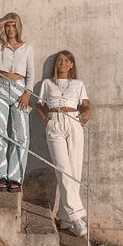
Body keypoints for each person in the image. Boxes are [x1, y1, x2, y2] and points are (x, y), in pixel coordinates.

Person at [37, 50, 90, 236]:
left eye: (66, 61)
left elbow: (84, 104)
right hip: (55, 123)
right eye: (59, 60)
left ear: (71, 65)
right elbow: (39, 105)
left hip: (74, 122)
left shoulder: (78, 84)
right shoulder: (47, 83)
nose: (62, 63)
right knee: (63, 169)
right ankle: (77, 218)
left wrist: (87, 112)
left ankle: (65, 219)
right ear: (55, 64)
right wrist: (47, 121)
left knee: (74, 172)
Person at [0, 13, 34, 192]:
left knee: (21, 135)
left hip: (20, 89)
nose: (10, 29)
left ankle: (16, 177)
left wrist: (28, 92)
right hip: (1, 88)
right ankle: (1, 176)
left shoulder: (27, 48)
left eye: (13, 25)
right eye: (8, 26)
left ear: (18, 27)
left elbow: (31, 72)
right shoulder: (0, 46)